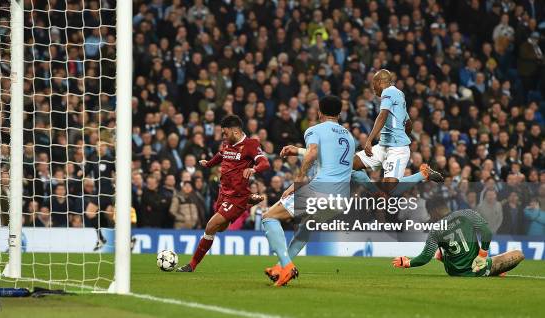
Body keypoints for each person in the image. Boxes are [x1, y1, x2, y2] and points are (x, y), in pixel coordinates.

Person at [259, 95, 355, 287]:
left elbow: (313, 152)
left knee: (269, 217)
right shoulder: (349, 137)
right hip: (341, 198)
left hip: (320, 190)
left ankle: (287, 266)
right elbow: (329, 155)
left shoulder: (315, 130)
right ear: (339, 113)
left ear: (319, 112)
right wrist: (297, 150)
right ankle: (280, 268)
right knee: (306, 226)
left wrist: (297, 182)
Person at [176, 115, 269, 272]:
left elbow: (264, 162)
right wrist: (209, 164)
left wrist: (253, 169)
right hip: (223, 193)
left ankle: (191, 265)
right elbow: (221, 155)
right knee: (220, 228)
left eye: (225, 133)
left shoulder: (251, 144)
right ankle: (247, 203)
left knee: (210, 226)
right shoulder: (228, 144)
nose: (223, 136)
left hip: (236, 196)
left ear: (235, 131)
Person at [352, 69, 443, 194]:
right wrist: (401, 134)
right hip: (383, 146)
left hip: (397, 150)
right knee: (351, 165)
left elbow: (383, 115)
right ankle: (375, 192)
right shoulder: (399, 94)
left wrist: (369, 140)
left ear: (379, 82)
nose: (373, 89)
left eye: (373, 84)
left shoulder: (388, 92)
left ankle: (424, 173)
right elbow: (408, 123)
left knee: (390, 190)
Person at [392, 197, 524, 277]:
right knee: (519, 254)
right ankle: (493, 269)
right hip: (477, 268)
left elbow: (425, 257)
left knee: (440, 251)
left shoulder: (435, 229)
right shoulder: (467, 214)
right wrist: (482, 255)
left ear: (434, 211)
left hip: (454, 271)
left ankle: (443, 256)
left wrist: (408, 262)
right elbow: (487, 232)